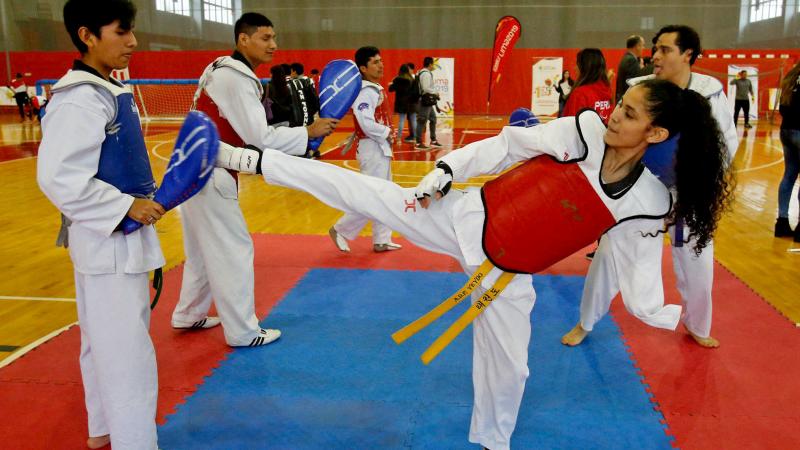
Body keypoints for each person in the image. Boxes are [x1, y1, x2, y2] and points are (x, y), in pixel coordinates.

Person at [216, 79, 731, 450]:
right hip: (464, 217)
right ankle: (245, 159)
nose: (616, 114)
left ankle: (493, 440)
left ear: (656, 134)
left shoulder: (646, 200)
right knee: (363, 190)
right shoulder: (583, 131)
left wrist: (653, 310)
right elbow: (507, 146)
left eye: (632, 113)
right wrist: (446, 167)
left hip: (508, 274)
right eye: (621, 103)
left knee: (511, 366)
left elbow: (631, 262)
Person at [563, 24, 739, 349]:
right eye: (655, 48)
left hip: (688, 193)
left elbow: (725, 144)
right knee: (609, 255)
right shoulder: (641, 88)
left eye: (665, 50)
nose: (655, 56)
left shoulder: (709, 92)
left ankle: (698, 325)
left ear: (688, 55)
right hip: (640, 191)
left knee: (697, 260)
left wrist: (700, 183)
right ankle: (585, 322)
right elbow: (616, 133)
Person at [37, 1, 165, 448]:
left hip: (103, 240)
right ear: (88, 35)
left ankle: (101, 430)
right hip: (111, 242)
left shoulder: (105, 89)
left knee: (100, 342)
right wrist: (126, 206)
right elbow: (58, 177)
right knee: (127, 353)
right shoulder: (81, 98)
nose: (132, 41)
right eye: (121, 31)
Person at [171, 12, 337, 347]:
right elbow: (260, 139)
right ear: (243, 39)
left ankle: (188, 313)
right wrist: (307, 132)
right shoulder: (235, 78)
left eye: (274, 38)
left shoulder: (219, 68)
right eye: (265, 38)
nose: (273, 45)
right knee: (234, 249)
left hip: (190, 168)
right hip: (211, 172)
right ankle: (243, 331)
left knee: (203, 250)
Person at [328, 46, 403, 253]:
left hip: (379, 147)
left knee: (384, 195)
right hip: (372, 149)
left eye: (381, 61)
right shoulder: (366, 91)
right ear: (363, 68)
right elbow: (365, 122)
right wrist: (387, 132)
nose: (381, 65)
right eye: (375, 62)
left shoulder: (374, 88)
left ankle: (381, 239)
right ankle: (340, 229)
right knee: (371, 196)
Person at [775, 61, 800, 240]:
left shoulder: (790, 78)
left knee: (789, 175)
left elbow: (782, 108)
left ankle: (782, 222)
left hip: (786, 131)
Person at [561, 48, 613, 123]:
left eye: (577, 64)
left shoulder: (580, 94)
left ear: (585, 68)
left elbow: (570, 126)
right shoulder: (607, 90)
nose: (575, 68)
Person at [415, 56, 442, 150]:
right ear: (430, 64)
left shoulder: (424, 72)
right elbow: (426, 88)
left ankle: (433, 140)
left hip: (428, 101)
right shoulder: (425, 74)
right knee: (422, 121)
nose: (434, 65)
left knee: (433, 119)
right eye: (433, 64)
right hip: (425, 101)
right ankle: (418, 143)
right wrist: (435, 92)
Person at [616, 35, 650, 103]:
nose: (643, 48)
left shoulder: (627, 58)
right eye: (642, 45)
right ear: (637, 46)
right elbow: (633, 82)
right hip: (628, 99)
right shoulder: (631, 60)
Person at [388, 63, 415, 144]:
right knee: (413, 120)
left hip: (401, 103)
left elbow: (390, 89)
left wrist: (392, 84)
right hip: (411, 102)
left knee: (401, 120)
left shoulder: (397, 79)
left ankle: (399, 138)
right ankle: (416, 138)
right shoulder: (412, 79)